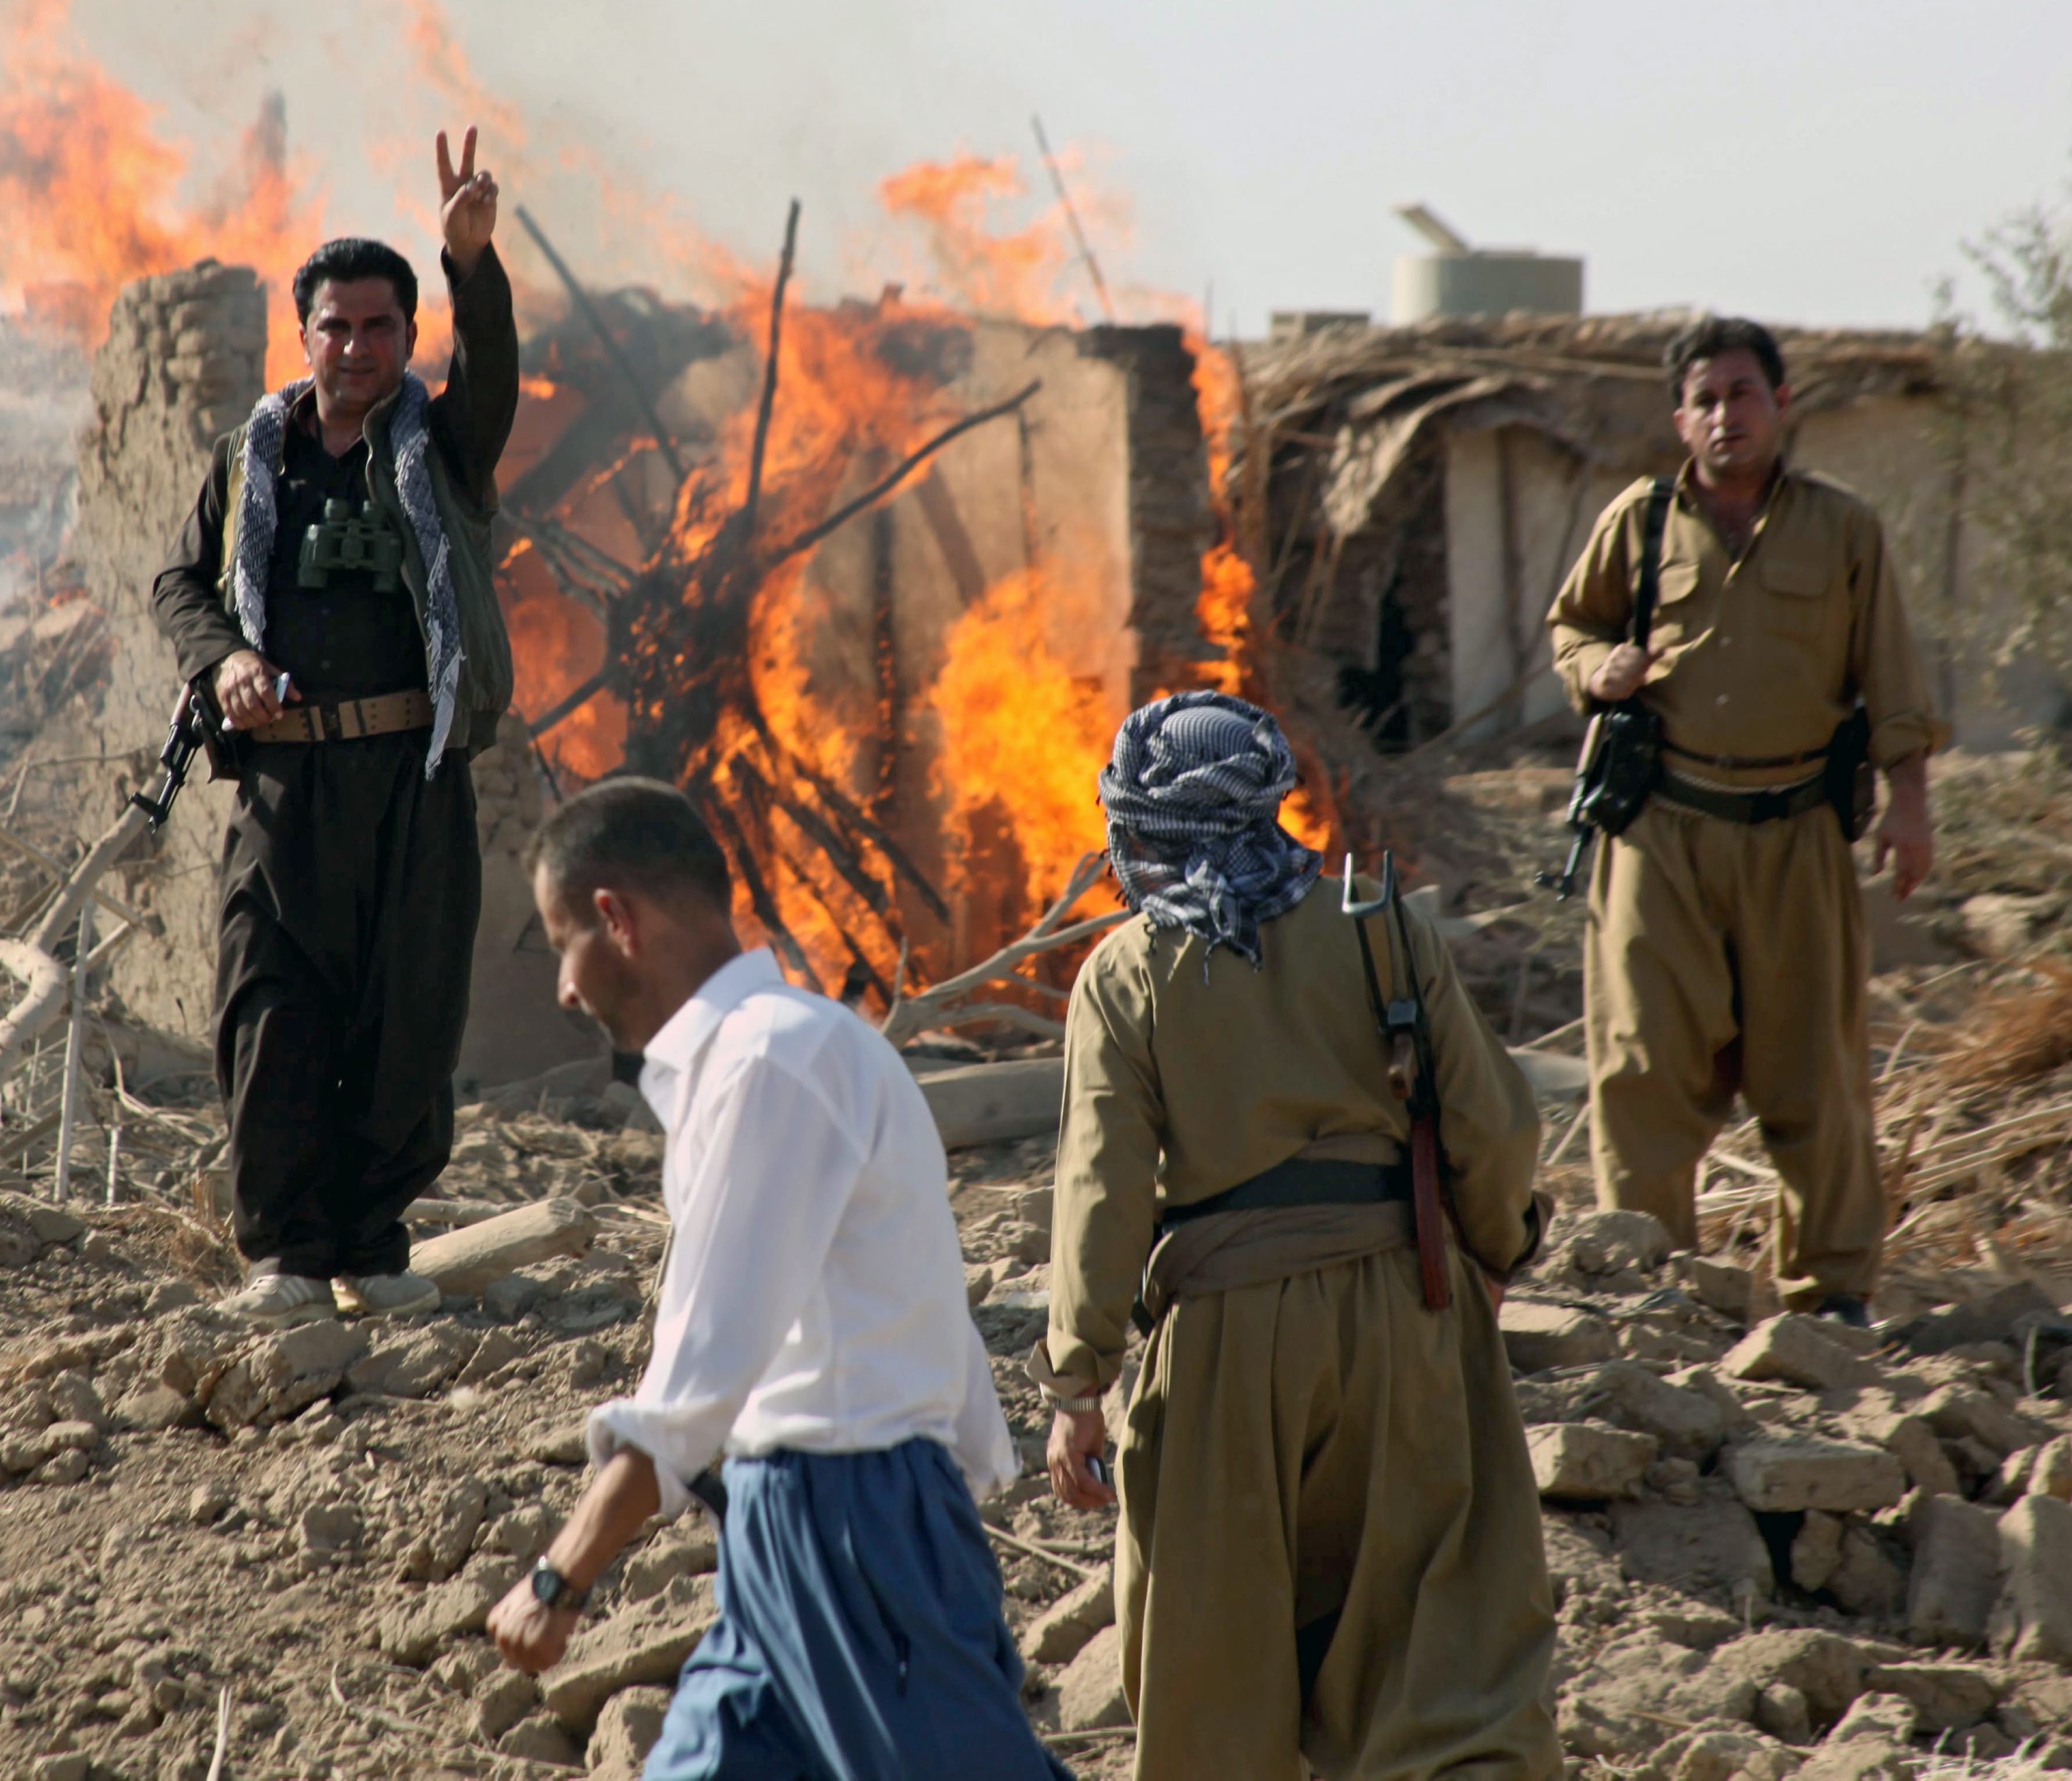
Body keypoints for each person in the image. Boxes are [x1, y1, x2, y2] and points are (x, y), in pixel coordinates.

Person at [486, 778, 1065, 1781]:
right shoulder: (801, 1046)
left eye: (559, 941)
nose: (564, 990)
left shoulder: (770, 1063)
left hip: (849, 1518)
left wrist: (561, 1571)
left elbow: (698, 1373)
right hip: (795, 1528)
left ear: (615, 918)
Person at [1039, 692, 1558, 1781]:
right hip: (1405, 1309)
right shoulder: (1382, 923)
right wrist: (1493, 1257)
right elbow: (1496, 1125)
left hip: (1225, 1341)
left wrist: (1078, 1382)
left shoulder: (1126, 974)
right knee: (1435, 1652)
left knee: (1213, 1679)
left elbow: (1103, 1192)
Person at [152, 128, 518, 1322]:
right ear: (301, 335)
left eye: (379, 328)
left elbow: (498, 377)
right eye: (335, 326)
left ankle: (373, 1245)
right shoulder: (252, 459)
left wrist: (472, 263)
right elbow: (180, 586)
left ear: (407, 340)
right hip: (287, 793)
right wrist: (230, 664)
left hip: (412, 781)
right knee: (271, 1011)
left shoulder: (440, 451)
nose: (355, 347)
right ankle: (285, 1257)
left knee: (408, 1015)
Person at [1546, 317, 1944, 1322]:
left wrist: (1909, 806)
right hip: (1660, 832)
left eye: (1744, 393)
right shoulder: (1637, 522)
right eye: (1707, 398)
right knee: (1642, 1067)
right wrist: (1597, 671)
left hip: (1796, 830)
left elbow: (1892, 680)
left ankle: (1830, 1296)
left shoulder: (1842, 530)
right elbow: (1571, 624)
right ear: (1680, 417)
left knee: (1814, 1069)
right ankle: (1647, 1285)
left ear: (1781, 406)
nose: (1726, 413)